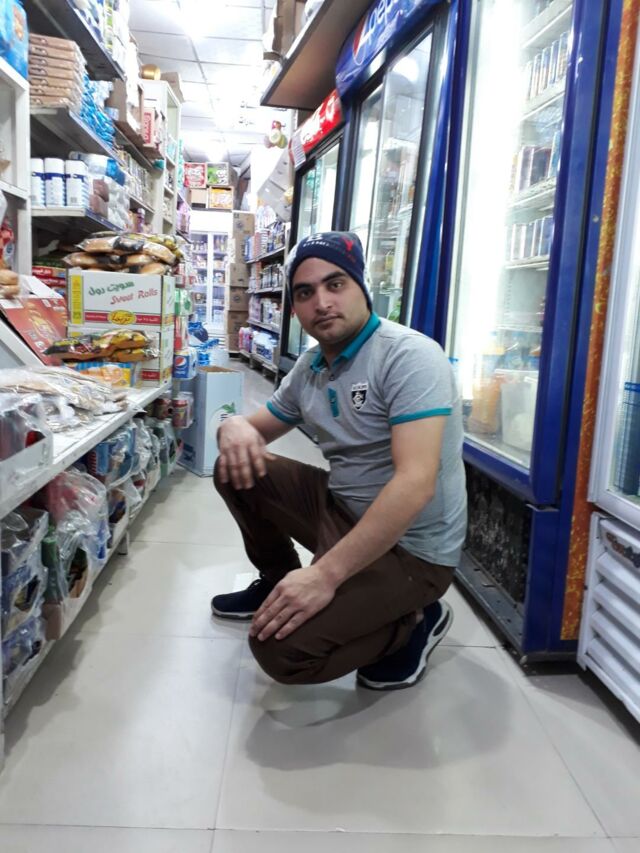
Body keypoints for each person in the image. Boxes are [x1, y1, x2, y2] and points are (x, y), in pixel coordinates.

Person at [211, 231, 467, 690]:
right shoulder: (311, 366)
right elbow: (252, 429)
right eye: (305, 292)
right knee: (235, 470)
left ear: (362, 287)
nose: (322, 303)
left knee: (281, 652)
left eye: (335, 284)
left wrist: (326, 575)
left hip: (411, 550)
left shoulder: (409, 357)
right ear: (294, 308)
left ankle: (415, 621)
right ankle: (278, 580)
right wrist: (231, 426)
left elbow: (415, 483)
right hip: (340, 510)